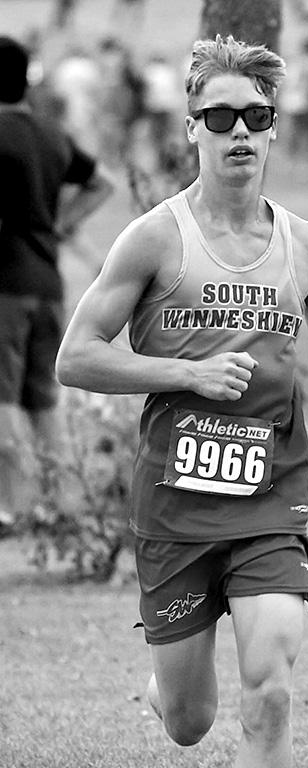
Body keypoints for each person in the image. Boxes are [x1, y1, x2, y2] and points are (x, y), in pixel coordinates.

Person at [56, 35, 308, 768]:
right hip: (176, 506)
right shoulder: (154, 239)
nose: (239, 133)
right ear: (190, 126)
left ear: (274, 128)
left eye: (255, 117)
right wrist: (186, 374)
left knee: (271, 690)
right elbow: (76, 357)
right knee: (190, 721)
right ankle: (168, 685)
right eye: (220, 117)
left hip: (270, 498)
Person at [0, 36, 114, 535]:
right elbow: (102, 182)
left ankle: (13, 509)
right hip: (49, 283)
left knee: (2, 398)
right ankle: (65, 507)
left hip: (6, 284)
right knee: (42, 400)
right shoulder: (51, 133)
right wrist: (59, 226)